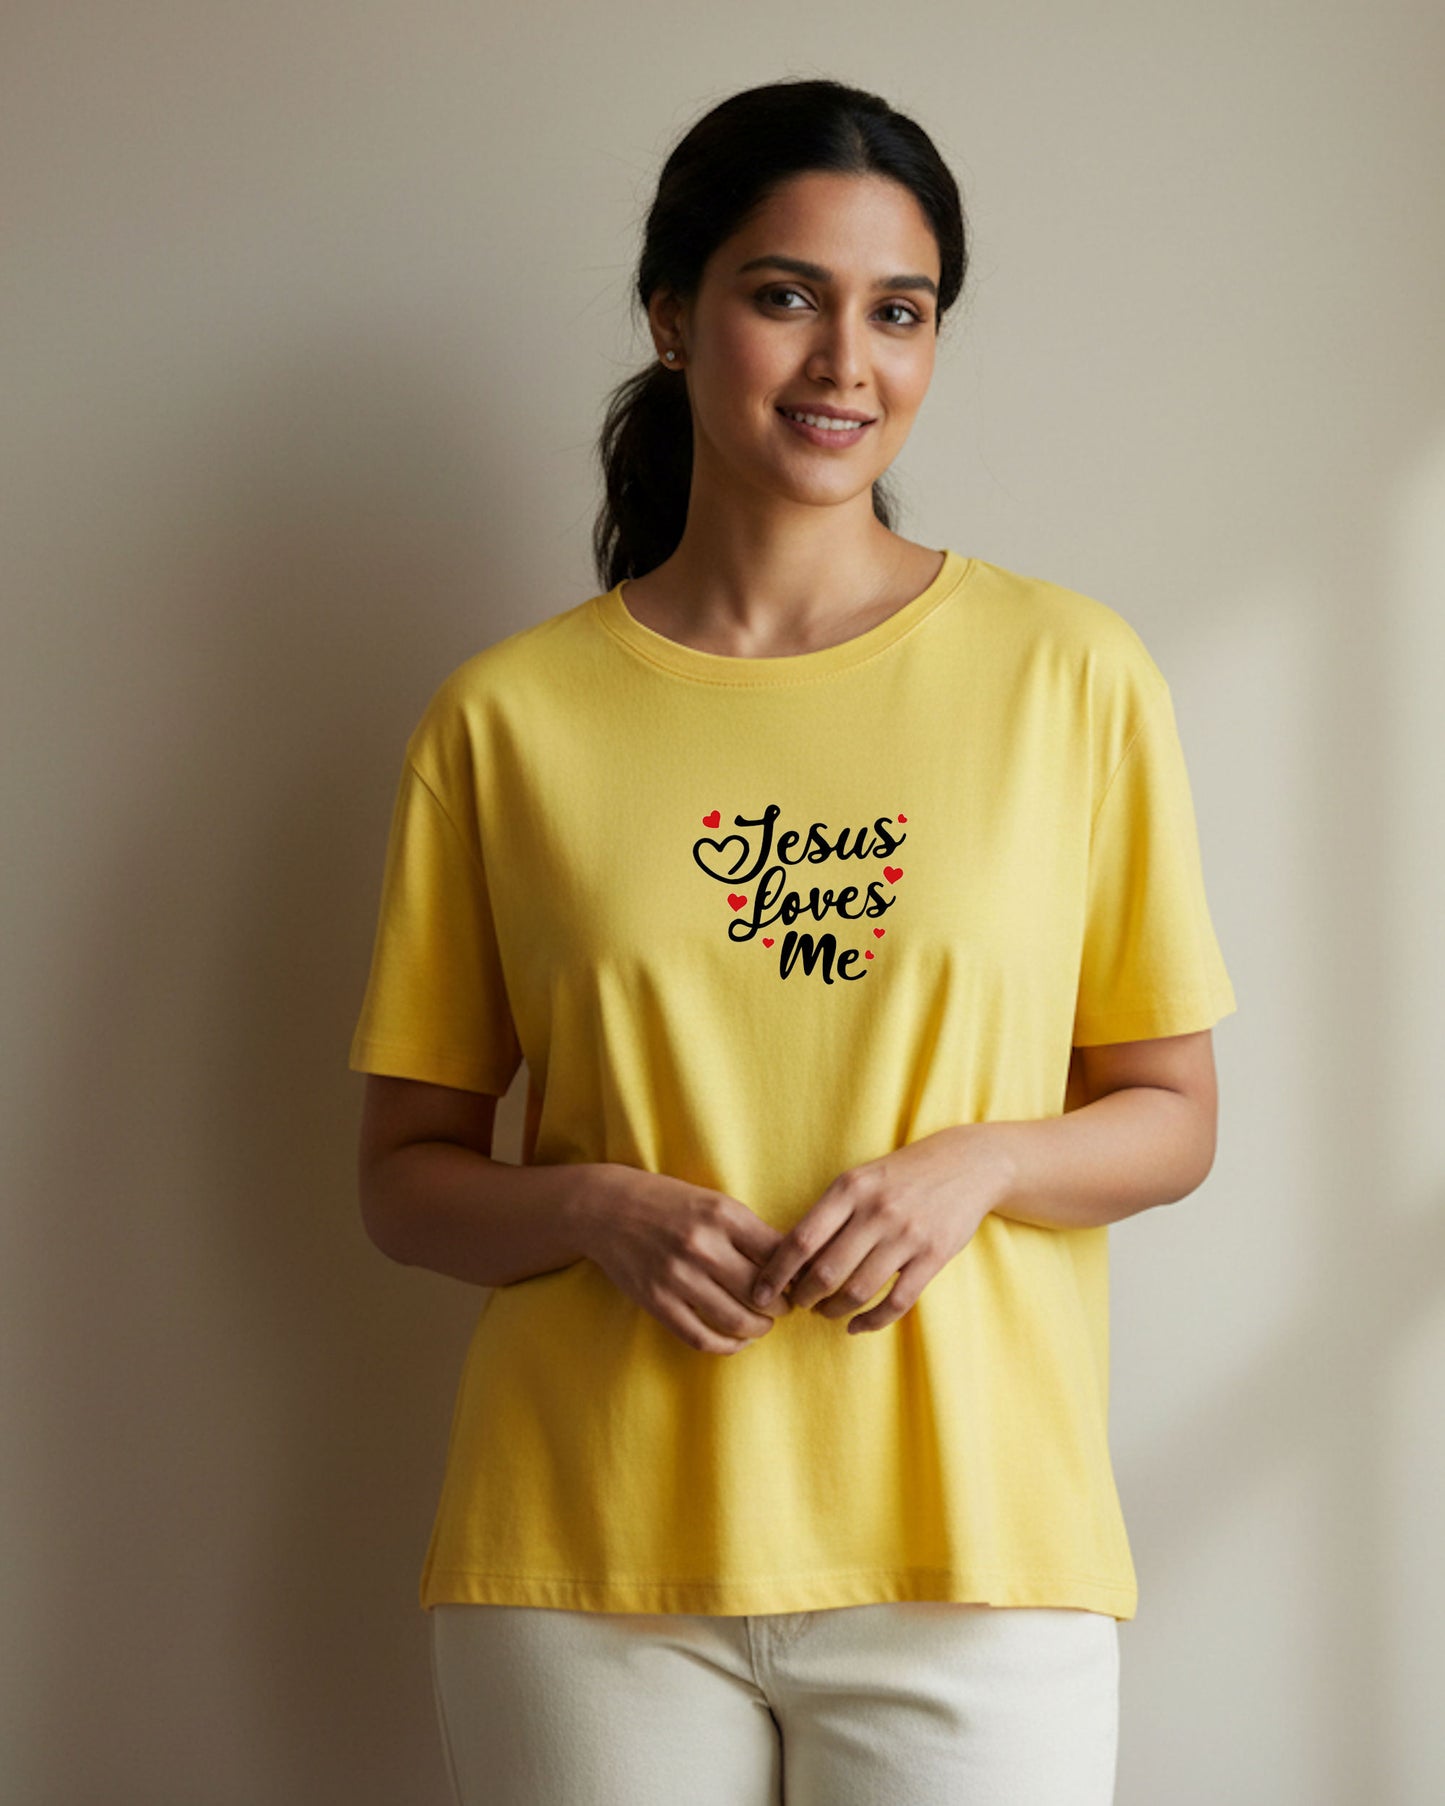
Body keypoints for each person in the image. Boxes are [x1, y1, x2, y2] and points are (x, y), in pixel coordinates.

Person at [347, 76, 1236, 1806]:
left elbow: (1171, 1113)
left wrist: (972, 1165)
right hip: (586, 1557)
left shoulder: (1070, 676)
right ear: (674, 316)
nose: (847, 363)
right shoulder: (507, 718)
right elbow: (403, 1175)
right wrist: (584, 1203)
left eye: (897, 312)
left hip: (969, 1550)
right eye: (785, 295)